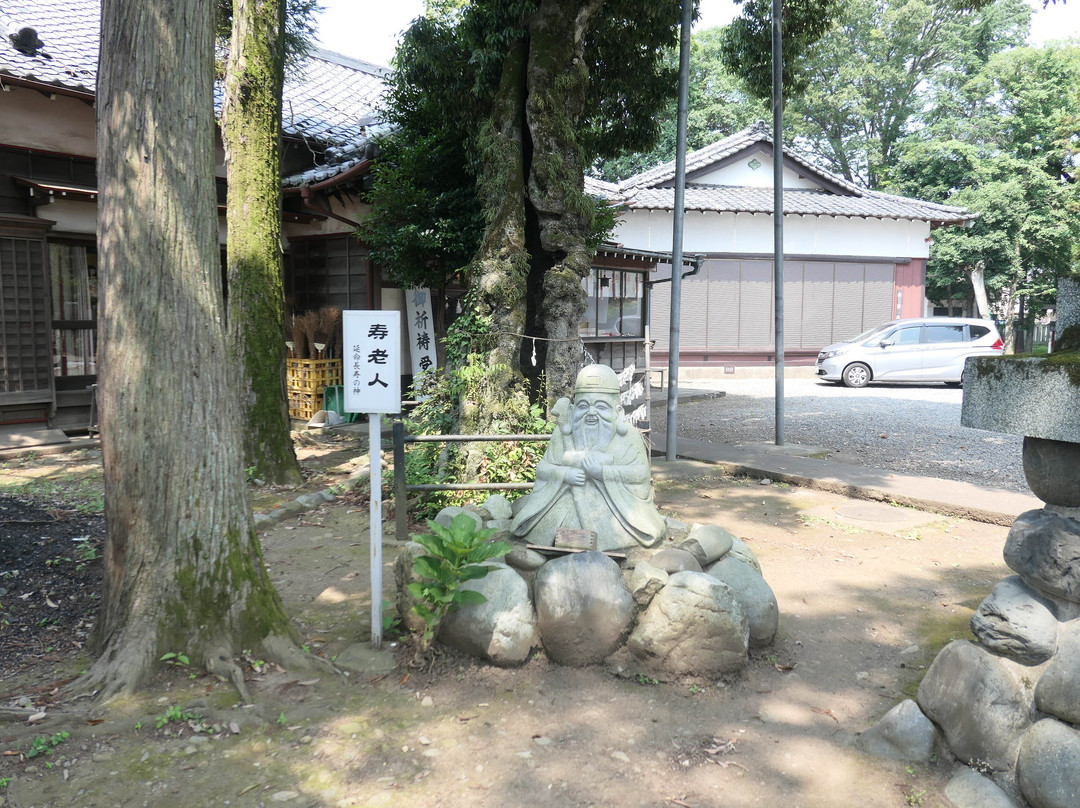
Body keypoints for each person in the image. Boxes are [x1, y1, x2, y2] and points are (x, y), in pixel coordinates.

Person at [511, 364, 666, 551]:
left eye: (601, 406)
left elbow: (640, 474)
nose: (591, 413)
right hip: (565, 500)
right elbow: (543, 469)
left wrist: (603, 472)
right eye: (583, 406)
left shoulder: (628, 436)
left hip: (614, 507)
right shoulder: (563, 434)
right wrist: (565, 475)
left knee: (611, 532)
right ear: (573, 410)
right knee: (548, 527)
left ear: (618, 412)